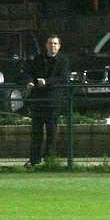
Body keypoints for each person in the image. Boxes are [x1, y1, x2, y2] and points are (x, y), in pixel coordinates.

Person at [22, 33, 69, 167]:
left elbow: (63, 78)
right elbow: (28, 72)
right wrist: (29, 81)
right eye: (50, 43)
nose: (52, 46)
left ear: (59, 46)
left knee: (51, 133)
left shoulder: (63, 61)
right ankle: (34, 160)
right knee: (36, 133)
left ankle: (49, 160)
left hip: (53, 102)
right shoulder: (38, 59)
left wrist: (46, 82)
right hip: (38, 101)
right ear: (46, 45)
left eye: (55, 43)